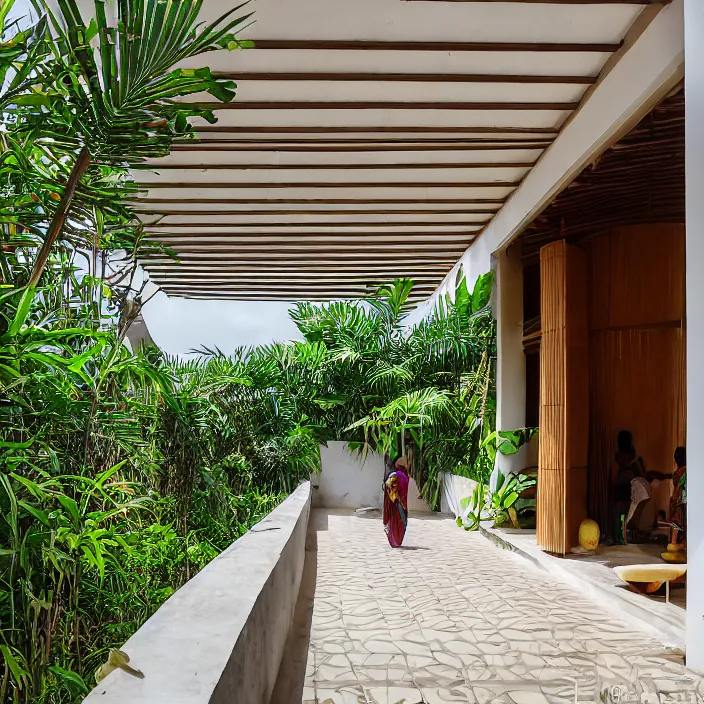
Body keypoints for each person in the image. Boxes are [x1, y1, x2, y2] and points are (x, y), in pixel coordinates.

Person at [383, 456, 410, 548]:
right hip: (404, 503)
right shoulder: (406, 477)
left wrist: (393, 495)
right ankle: (398, 540)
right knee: (402, 521)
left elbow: (387, 484)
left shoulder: (394, 475)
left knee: (395, 520)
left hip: (396, 503)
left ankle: (394, 541)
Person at [669, 446, 686, 544]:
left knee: (676, 523)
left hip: (677, 500)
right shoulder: (683, 471)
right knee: (678, 523)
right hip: (679, 500)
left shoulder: (679, 472)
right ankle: (675, 544)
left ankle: (673, 544)